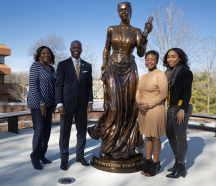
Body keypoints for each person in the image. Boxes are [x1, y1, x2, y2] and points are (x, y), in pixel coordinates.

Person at [87, 1, 153, 159]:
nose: (123, 12)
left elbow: (141, 52)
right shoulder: (111, 29)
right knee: (114, 107)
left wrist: (145, 34)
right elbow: (106, 48)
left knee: (129, 107)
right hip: (112, 68)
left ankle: (129, 145)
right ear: (118, 12)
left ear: (131, 11)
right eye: (120, 10)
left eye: (126, 9)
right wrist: (103, 67)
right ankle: (109, 141)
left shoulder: (136, 30)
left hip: (130, 69)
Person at [55, 40, 93, 171]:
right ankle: (64, 159)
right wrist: (59, 104)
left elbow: (89, 86)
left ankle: (80, 156)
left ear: (81, 50)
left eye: (79, 48)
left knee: (82, 131)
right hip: (66, 105)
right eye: (74, 47)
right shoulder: (62, 65)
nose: (77, 49)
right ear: (70, 49)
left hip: (82, 104)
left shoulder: (87, 66)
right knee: (65, 132)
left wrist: (90, 101)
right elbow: (58, 86)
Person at [136, 50, 168, 176]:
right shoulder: (143, 76)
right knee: (147, 136)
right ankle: (148, 161)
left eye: (152, 59)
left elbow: (163, 94)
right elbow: (138, 92)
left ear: (157, 61)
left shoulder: (161, 75)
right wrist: (139, 102)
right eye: (147, 59)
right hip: (143, 110)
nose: (149, 62)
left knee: (155, 137)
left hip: (155, 110)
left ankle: (155, 163)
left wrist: (149, 104)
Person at [164, 48, 193, 178]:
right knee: (170, 134)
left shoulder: (185, 72)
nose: (170, 59)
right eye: (168, 57)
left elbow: (187, 92)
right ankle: (178, 161)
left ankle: (181, 165)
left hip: (181, 106)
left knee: (180, 137)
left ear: (180, 58)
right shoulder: (169, 72)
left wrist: (182, 109)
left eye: (173, 56)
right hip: (171, 106)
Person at [27, 46, 56, 170]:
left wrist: (53, 104)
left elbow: (54, 87)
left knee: (46, 131)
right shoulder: (35, 66)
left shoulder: (52, 68)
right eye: (43, 53)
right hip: (37, 104)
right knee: (39, 130)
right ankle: (34, 157)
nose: (46, 55)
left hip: (49, 104)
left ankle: (42, 154)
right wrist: (41, 103)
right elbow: (33, 85)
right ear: (39, 55)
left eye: (48, 53)